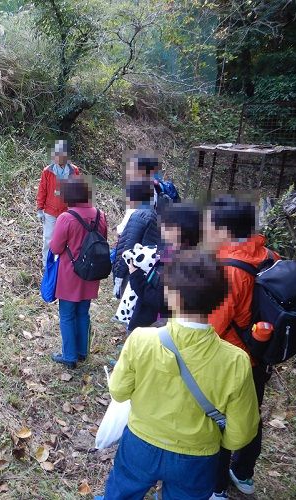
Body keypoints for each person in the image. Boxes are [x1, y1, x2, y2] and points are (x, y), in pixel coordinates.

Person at [101, 251, 260, 500]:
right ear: (219, 300)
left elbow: (119, 391)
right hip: (197, 456)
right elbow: (242, 431)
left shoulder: (141, 339)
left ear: (170, 295)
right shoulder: (236, 361)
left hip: (141, 443)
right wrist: (219, 442)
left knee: (123, 492)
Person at [204, 195, 280, 499]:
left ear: (224, 229)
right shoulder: (268, 256)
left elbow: (212, 326)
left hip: (232, 359)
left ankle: (216, 487)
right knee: (251, 415)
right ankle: (244, 473)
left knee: (220, 422)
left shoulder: (230, 270)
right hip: (261, 355)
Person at [48, 175, 107, 368]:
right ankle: (82, 352)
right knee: (83, 313)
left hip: (70, 275)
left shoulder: (66, 218)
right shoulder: (100, 215)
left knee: (66, 315)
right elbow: (101, 240)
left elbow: (56, 248)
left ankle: (69, 356)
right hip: (91, 273)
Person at [125, 202, 202, 331]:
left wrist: (135, 275)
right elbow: (157, 272)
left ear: (181, 229)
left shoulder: (183, 264)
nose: (162, 227)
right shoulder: (173, 250)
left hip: (156, 328)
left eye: (168, 225)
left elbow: (159, 301)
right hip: (150, 321)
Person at [112, 180, 160, 300]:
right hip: (149, 273)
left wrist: (118, 276)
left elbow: (127, 246)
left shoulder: (138, 215)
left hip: (133, 271)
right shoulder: (157, 216)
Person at [36, 140, 80, 268]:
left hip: (67, 212)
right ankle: (47, 265)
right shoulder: (47, 171)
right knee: (48, 239)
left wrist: (76, 210)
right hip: (50, 211)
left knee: (66, 240)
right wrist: (40, 209)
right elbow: (42, 190)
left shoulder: (74, 171)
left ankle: (62, 265)